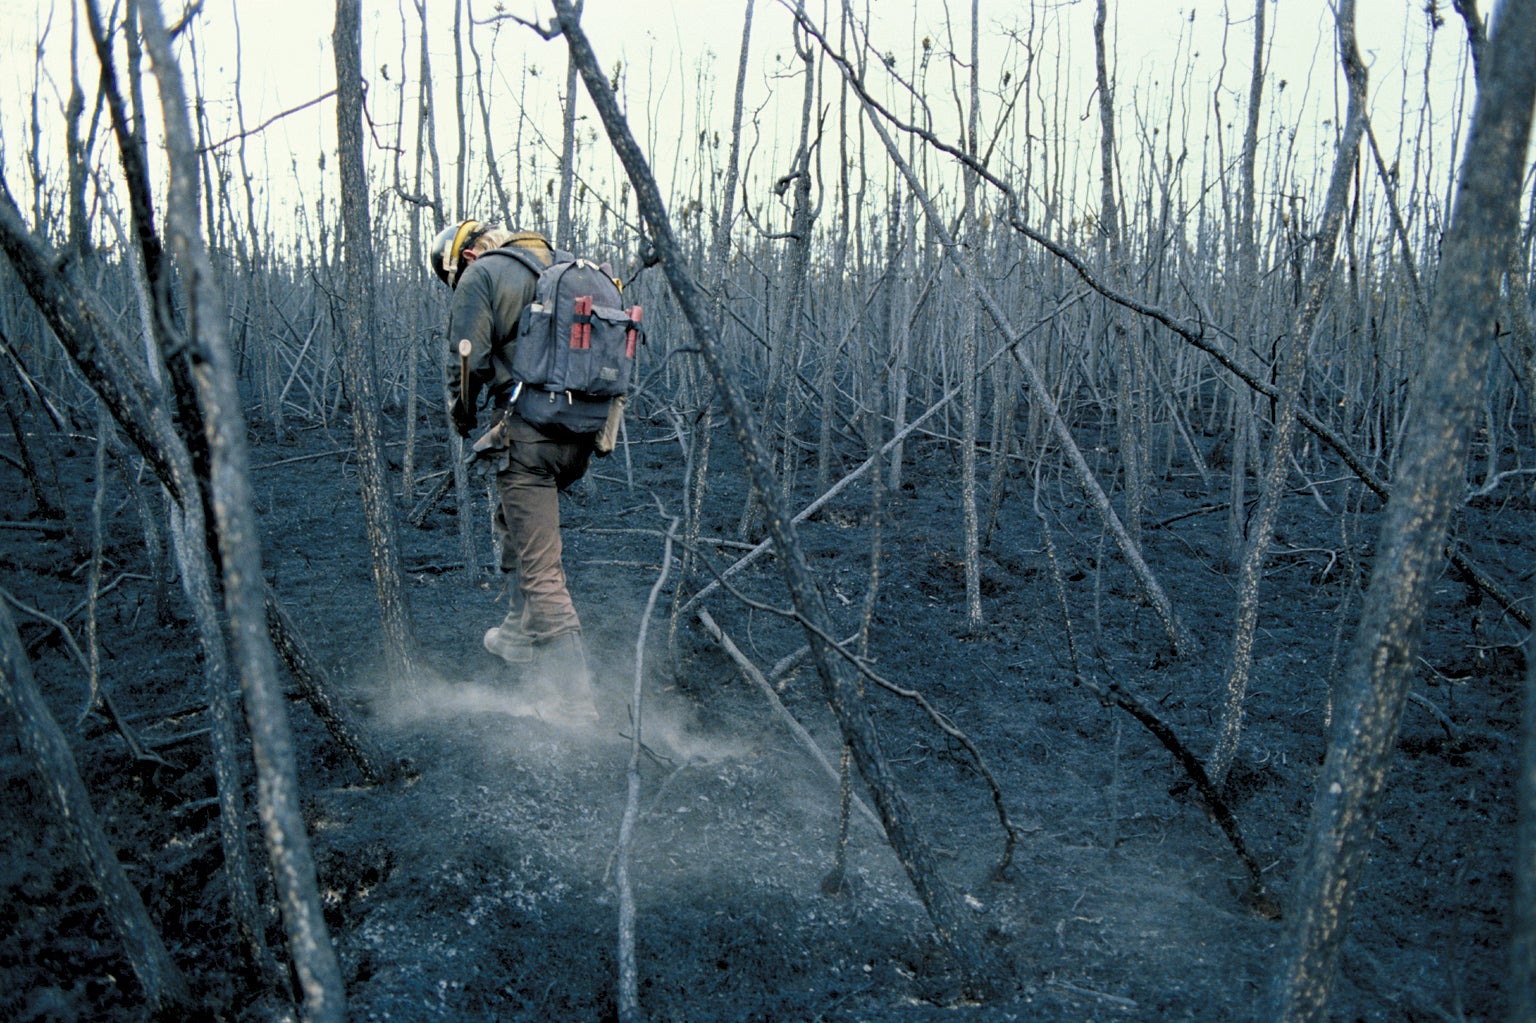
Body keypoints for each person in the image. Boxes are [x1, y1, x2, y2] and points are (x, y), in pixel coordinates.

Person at [429, 219, 599, 726]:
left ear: (466, 255)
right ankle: (518, 629)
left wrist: (462, 416)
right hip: (581, 435)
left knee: (541, 565)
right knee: (517, 525)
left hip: (529, 435)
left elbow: (468, 360)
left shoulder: (482, 276)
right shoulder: (563, 264)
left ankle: (577, 702)